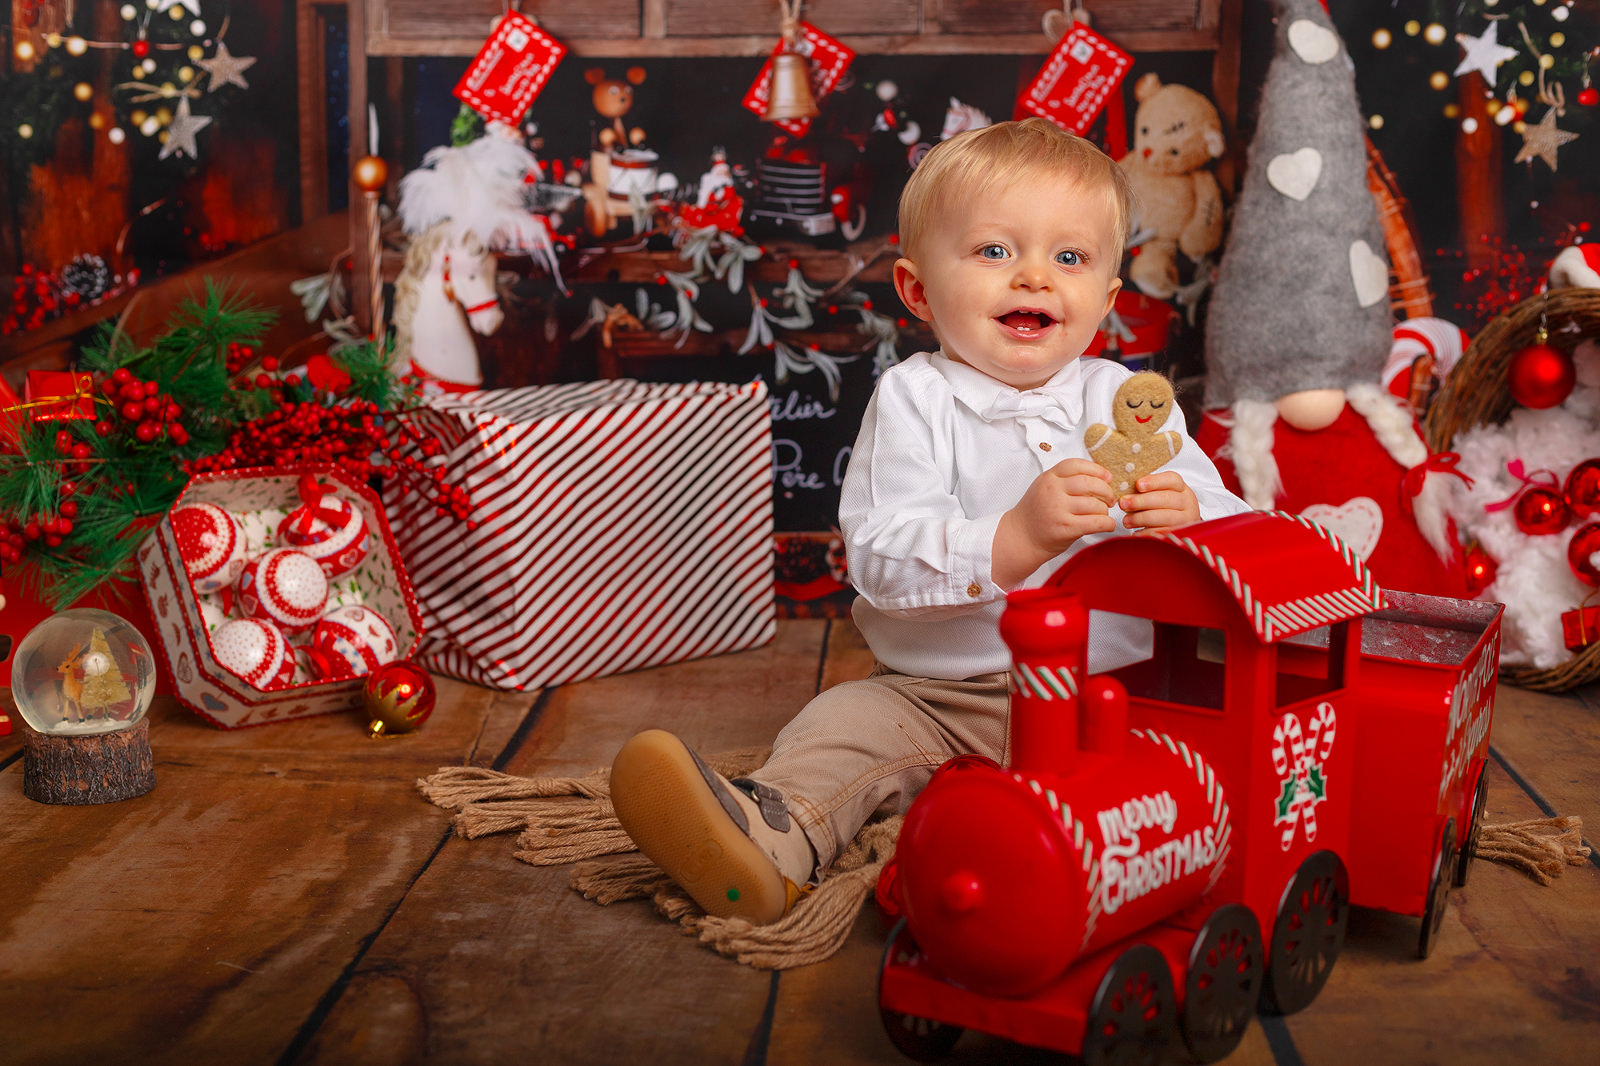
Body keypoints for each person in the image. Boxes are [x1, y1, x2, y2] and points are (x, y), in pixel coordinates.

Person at [609, 118, 1251, 925]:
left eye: (1069, 258)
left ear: (1109, 300)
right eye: (993, 252)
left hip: (1121, 701)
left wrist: (1195, 515)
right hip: (948, 694)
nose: (1033, 279)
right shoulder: (918, 400)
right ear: (917, 290)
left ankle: (1088, 861)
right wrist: (1011, 538)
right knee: (842, 726)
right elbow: (880, 556)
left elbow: (1243, 532)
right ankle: (771, 836)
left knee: (1200, 766)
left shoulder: (1127, 405)